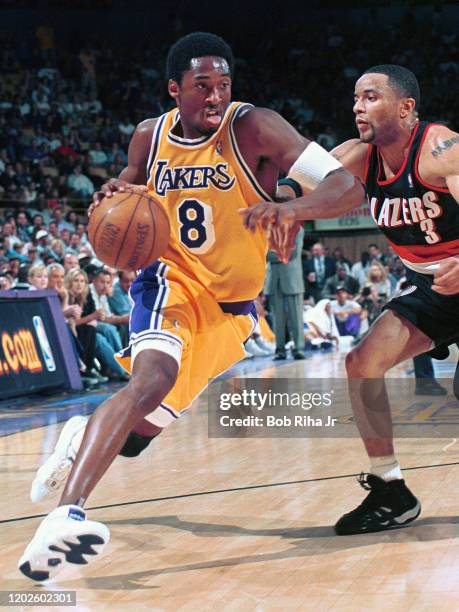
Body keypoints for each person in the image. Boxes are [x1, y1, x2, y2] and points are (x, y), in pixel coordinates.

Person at [19, 32, 364, 581]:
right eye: (202, 86)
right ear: (174, 89)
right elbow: (123, 196)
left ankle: (82, 434)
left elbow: (349, 188)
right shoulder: (147, 137)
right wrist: (110, 197)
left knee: (138, 437)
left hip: (232, 311)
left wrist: (294, 208)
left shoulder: (255, 127)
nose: (215, 97)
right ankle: (66, 516)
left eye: (223, 85)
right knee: (148, 382)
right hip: (170, 282)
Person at [242, 64, 459, 535]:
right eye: (356, 98)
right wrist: (280, 208)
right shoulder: (357, 156)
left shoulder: (442, 148)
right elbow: (294, 183)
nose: (359, 106)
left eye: (372, 97)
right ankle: (390, 489)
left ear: (406, 108)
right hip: (433, 286)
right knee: (362, 362)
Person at [264, 227, 305, 360]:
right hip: (274, 280)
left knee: (297, 317)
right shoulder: (267, 231)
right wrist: (281, 253)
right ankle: (279, 349)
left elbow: (292, 253)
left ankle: (299, 349)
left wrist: (272, 253)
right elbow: (263, 253)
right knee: (277, 320)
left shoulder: (297, 230)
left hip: (292, 279)